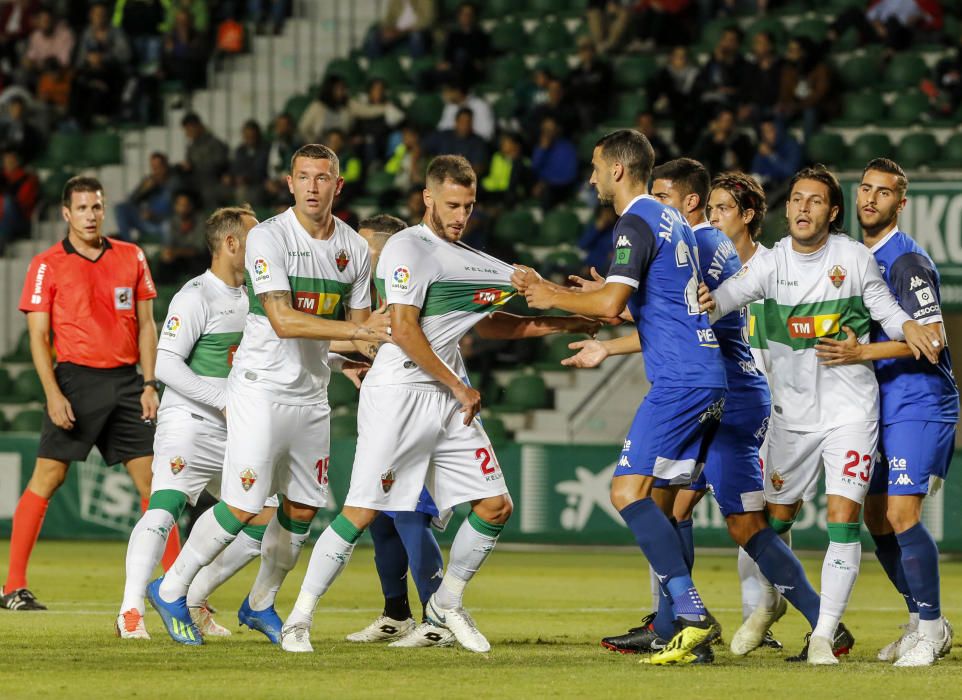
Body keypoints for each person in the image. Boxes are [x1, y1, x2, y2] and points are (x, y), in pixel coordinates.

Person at [277, 155, 599, 654]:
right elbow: (403, 329)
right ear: (428, 198)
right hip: (400, 393)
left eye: (468, 206)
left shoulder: (471, 259)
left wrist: (565, 323)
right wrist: (457, 385)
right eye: (452, 204)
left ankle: (446, 602)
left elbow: (489, 321)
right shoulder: (407, 247)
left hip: (448, 398)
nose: (460, 215)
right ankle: (299, 619)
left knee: (495, 505)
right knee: (362, 512)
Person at [147, 144, 390, 646]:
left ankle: (260, 604)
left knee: (302, 509)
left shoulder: (353, 249)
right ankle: (171, 588)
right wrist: (359, 333)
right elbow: (282, 319)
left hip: (311, 396)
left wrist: (373, 340)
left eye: (323, 178)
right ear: (290, 183)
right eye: (304, 177)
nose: (313, 187)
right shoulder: (268, 238)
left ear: (337, 186)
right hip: (259, 391)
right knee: (241, 505)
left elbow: (361, 328)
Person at [698, 164, 941, 664]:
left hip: (851, 411)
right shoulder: (770, 264)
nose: (803, 208)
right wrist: (672, 301)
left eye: (814, 201)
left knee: (843, 520)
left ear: (831, 212)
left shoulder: (852, 258)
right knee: (775, 518)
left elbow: (885, 308)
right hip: (792, 417)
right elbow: (721, 301)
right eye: (796, 200)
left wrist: (908, 329)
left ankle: (824, 636)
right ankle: (771, 600)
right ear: (786, 210)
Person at [586, 159, 820, 660]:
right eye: (712, 206)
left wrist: (612, 308)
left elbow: (685, 319)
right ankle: (679, 624)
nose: (661, 207)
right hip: (723, 389)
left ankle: (693, 620)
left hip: (726, 393)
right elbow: (674, 313)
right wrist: (614, 309)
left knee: (718, 517)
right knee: (680, 506)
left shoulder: (703, 244)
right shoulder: (702, 245)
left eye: (721, 208)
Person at [512, 130, 725, 666]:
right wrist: (597, 307)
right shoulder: (672, 219)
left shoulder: (634, 220)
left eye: (595, 167)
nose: (590, 178)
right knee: (667, 504)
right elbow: (647, 303)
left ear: (618, 170)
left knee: (626, 492)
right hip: (707, 374)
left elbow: (611, 305)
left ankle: (694, 615)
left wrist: (548, 293)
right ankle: (682, 632)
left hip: (679, 380)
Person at [814, 158, 957, 667]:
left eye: (884, 192)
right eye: (865, 189)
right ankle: (924, 621)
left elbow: (933, 341)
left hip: (920, 402)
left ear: (901, 202)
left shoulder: (906, 261)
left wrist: (859, 354)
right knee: (875, 517)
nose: (871, 198)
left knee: (900, 514)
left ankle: (931, 628)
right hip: (878, 405)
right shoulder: (856, 257)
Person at [1, 176, 161, 611]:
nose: (90, 215)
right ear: (66, 213)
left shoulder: (131, 256)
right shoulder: (46, 264)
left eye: (96, 207)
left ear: (103, 209)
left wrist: (149, 383)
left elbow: (147, 325)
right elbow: (38, 337)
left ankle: (177, 591)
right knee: (49, 478)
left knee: (155, 484)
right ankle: (13, 586)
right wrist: (52, 392)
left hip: (128, 381)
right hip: (74, 380)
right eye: (82, 208)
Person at [117, 205, 276, 640]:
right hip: (189, 421)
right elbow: (166, 364)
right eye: (255, 238)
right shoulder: (195, 296)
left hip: (236, 429)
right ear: (231, 244)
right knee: (165, 506)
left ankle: (188, 595)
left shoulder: (258, 297)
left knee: (266, 521)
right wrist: (221, 399)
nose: (266, 246)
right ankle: (131, 611)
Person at [341, 213, 451, 648]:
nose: (354, 259)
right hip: (382, 414)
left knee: (408, 512)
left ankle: (439, 620)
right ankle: (396, 615)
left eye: (364, 250)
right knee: (381, 517)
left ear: (388, 251)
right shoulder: (370, 298)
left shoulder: (412, 288)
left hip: (416, 414)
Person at [115, 152, 178, 242]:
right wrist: (144, 190)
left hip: (162, 223)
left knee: (167, 225)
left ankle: (167, 254)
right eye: (153, 168)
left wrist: (154, 215)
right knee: (120, 208)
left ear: (165, 166)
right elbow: (131, 201)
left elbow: (177, 211)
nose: (156, 171)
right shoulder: (150, 181)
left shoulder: (174, 183)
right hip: (146, 221)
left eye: (158, 167)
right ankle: (128, 245)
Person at [180, 113, 229, 208]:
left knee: (208, 194)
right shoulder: (191, 147)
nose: (187, 133)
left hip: (213, 183)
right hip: (196, 183)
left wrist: (195, 166)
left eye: (188, 129)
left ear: (197, 127)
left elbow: (220, 165)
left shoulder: (215, 144)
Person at [0, 149, 39, 253]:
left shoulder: (27, 178)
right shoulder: (2, 177)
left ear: (17, 161)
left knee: (8, 202)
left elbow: (25, 203)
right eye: (6, 161)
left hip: (20, 220)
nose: (8, 163)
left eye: (11, 160)